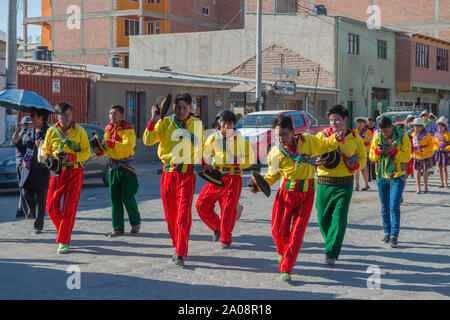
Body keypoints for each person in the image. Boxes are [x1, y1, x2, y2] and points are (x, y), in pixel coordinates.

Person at [249, 115, 345, 282]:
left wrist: (336, 139)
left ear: (293, 132)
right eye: (278, 135)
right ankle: (283, 253)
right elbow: (272, 176)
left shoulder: (308, 141)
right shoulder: (275, 153)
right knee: (278, 231)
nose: (281, 138)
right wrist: (257, 185)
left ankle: (286, 268)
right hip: (285, 194)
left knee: (296, 234)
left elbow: (325, 144)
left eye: (285, 134)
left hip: (307, 195)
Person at [143, 92, 203, 267]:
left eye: (185, 108)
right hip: (168, 173)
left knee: (183, 214)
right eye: (178, 108)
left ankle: (180, 251)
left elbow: (201, 146)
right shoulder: (165, 122)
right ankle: (177, 243)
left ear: (190, 108)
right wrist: (153, 120)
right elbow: (148, 140)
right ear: (174, 108)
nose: (182, 111)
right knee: (171, 216)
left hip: (187, 174)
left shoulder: (197, 123)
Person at [315, 104, 367, 266]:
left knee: (339, 219)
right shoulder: (321, 136)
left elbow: (363, 158)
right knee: (322, 218)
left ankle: (331, 252)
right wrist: (315, 161)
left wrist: (354, 163)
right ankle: (332, 241)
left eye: (336, 119)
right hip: (324, 183)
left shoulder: (354, 138)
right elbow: (311, 153)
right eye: (331, 120)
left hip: (344, 184)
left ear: (345, 119)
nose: (333, 123)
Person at [196, 110, 254, 249]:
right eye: (223, 125)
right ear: (219, 125)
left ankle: (225, 239)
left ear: (234, 124)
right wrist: (205, 162)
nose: (225, 128)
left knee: (227, 211)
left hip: (233, 178)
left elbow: (250, 159)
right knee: (201, 205)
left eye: (228, 124)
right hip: (216, 177)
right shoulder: (214, 138)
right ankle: (217, 227)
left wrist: (238, 162)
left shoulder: (240, 140)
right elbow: (203, 154)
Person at [42, 102, 91, 254]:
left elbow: (87, 153)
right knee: (50, 207)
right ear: (57, 116)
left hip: (75, 172)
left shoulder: (80, 131)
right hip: (57, 172)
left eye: (68, 114)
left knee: (69, 209)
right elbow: (45, 150)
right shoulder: (51, 131)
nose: (66, 117)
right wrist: (50, 158)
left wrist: (71, 156)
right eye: (62, 115)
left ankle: (64, 241)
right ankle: (64, 230)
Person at [93, 105, 141, 237]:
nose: (112, 116)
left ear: (122, 116)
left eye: (115, 114)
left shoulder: (128, 129)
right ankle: (118, 228)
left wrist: (111, 144)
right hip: (113, 167)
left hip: (126, 167)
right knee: (115, 199)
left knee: (128, 197)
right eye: (110, 114)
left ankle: (135, 223)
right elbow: (107, 149)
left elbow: (127, 148)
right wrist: (100, 150)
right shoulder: (108, 129)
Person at [369, 116, 411, 248]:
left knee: (394, 206)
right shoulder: (377, 136)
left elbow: (406, 157)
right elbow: (371, 156)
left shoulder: (403, 136)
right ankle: (386, 233)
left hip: (397, 175)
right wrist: (378, 151)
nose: (384, 134)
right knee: (384, 207)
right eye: (382, 131)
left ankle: (394, 236)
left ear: (391, 127)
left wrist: (393, 151)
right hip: (381, 175)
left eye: (386, 131)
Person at [13, 110, 50, 234]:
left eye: (33, 117)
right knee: (25, 192)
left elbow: (53, 149)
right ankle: (34, 213)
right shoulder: (29, 131)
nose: (31, 120)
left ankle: (38, 225)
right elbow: (25, 150)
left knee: (41, 198)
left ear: (41, 117)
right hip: (28, 169)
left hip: (41, 170)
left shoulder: (49, 132)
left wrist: (42, 146)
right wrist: (17, 142)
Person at [14, 116, 33, 219]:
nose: (31, 125)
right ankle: (28, 211)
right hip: (23, 164)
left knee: (22, 188)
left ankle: (20, 210)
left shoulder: (21, 134)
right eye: (29, 124)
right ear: (24, 125)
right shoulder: (25, 134)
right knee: (25, 189)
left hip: (20, 164)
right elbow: (26, 150)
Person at [410, 117, 434, 194]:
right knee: (417, 171)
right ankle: (418, 188)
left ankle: (425, 186)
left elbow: (431, 145)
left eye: (418, 126)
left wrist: (423, 150)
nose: (416, 128)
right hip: (417, 155)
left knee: (425, 171)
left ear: (422, 126)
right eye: (415, 126)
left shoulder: (427, 135)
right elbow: (410, 145)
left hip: (425, 155)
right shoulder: (412, 135)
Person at [354, 117, 372, 190]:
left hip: (365, 152)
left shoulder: (368, 132)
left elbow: (371, 142)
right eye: (358, 123)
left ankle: (366, 184)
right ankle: (357, 185)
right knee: (356, 169)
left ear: (364, 124)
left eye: (361, 123)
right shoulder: (355, 131)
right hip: (356, 151)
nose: (359, 124)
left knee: (363, 169)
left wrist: (363, 143)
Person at [433, 117, 450, 188]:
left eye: (441, 127)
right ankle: (441, 182)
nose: (440, 128)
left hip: (445, 153)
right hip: (438, 152)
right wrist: (437, 148)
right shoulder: (436, 135)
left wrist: (446, 148)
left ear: (444, 127)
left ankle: (446, 183)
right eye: (438, 127)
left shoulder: (448, 135)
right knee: (439, 167)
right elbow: (434, 143)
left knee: (444, 168)